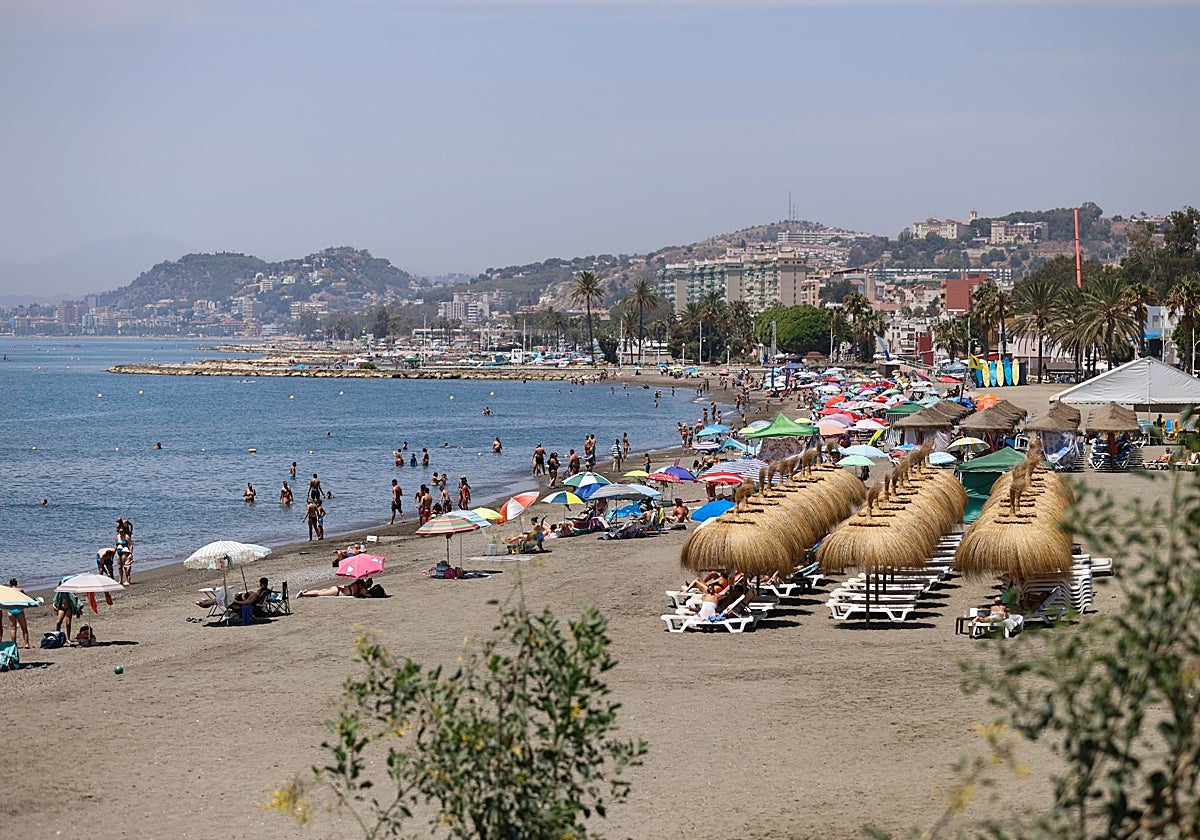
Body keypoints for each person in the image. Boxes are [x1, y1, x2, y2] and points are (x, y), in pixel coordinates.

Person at [6, 578, 30, 648]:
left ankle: (14, 644)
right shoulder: (20, 590)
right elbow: (26, 598)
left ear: (10, 584)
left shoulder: (7, 591)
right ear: (16, 583)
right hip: (19, 610)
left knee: (13, 628)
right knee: (24, 628)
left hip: (11, 610)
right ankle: (26, 644)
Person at [298, 577, 373, 598]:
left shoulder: (358, 583)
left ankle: (306, 592)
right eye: (369, 584)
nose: (369, 586)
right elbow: (369, 596)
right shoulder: (362, 588)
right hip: (337, 592)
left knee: (321, 590)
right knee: (319, 593)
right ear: (366, 583)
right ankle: (303, 595)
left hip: (338, 588)